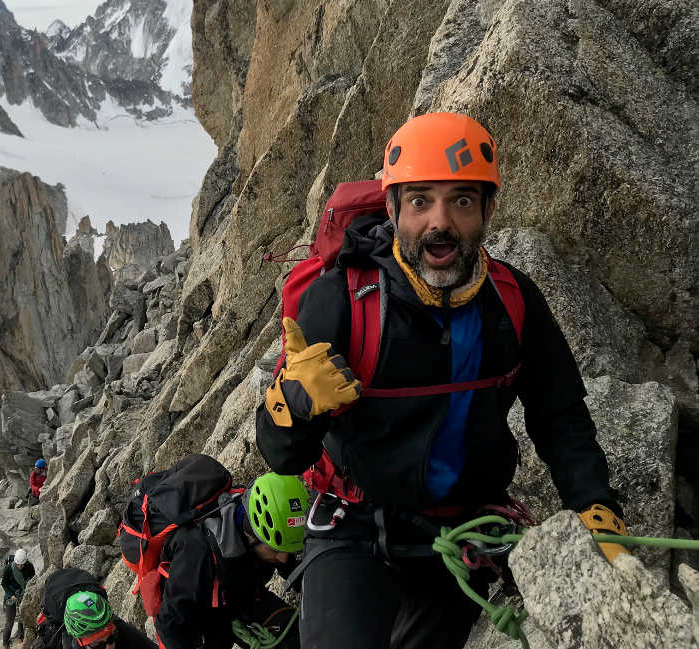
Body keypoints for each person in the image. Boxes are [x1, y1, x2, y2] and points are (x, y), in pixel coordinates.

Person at [256, 112, 624, 649]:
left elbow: (560, 416)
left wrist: (596, 508)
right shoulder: (340, 300)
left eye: (462, 201)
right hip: (355, 525)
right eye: (421, 200)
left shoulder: (512, 301)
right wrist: (296, 401)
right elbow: (280, 455)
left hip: (462, 530)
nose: (440, 223)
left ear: (488, 211)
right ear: (392, 208)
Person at [152, 472, 307, 649]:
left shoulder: (272, 532)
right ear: (251, 534)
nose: (283, 558)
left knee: (297, 637)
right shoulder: (197, 552)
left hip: (241, 595)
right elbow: (168, 627)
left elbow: (296, 571)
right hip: (201, 611)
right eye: (275, 550)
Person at [64, 590, 155, 649]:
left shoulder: (122, 629)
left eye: (111, 638)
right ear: (81, 642)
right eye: (98, 646)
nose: (109, 648)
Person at [1, 548, 36, 648]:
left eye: (22, 564)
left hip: (22, 594)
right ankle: (5, 644)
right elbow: (4, 583)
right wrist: (11, 594)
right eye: (18, 564)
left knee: (22, 618)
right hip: (10, 596)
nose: (20, 566)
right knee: (9, 621)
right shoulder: (9, 568)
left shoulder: (29, 567)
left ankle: (21, 637)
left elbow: (33, 580)